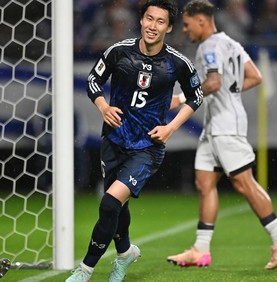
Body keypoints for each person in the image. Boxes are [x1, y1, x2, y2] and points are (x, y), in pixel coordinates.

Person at [66, 1, 203, 281]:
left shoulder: (177, 62)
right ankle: (126, 253)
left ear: (169, 27)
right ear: (141, 20)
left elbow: (196, 96)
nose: (153, 26)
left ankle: (85, 270)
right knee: (118, 206)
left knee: (108, 204)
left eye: (160, 21)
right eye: (149, 19)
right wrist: (103, 106)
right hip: (114, 141)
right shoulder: (119, 52)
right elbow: (93, 80)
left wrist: (171, 128)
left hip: (147, 148)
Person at [167, 0, 277, 270]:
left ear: (200, 20)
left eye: (187, 24)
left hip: (226, 127)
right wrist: (230, 93)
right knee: (205, 183)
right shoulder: (232, 44)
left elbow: (213, 82)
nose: (186, 30)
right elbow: (255, 76)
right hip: (215, 125)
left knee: (243, 184)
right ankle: (200, 250)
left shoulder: (209, 46)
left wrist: (182, 97)